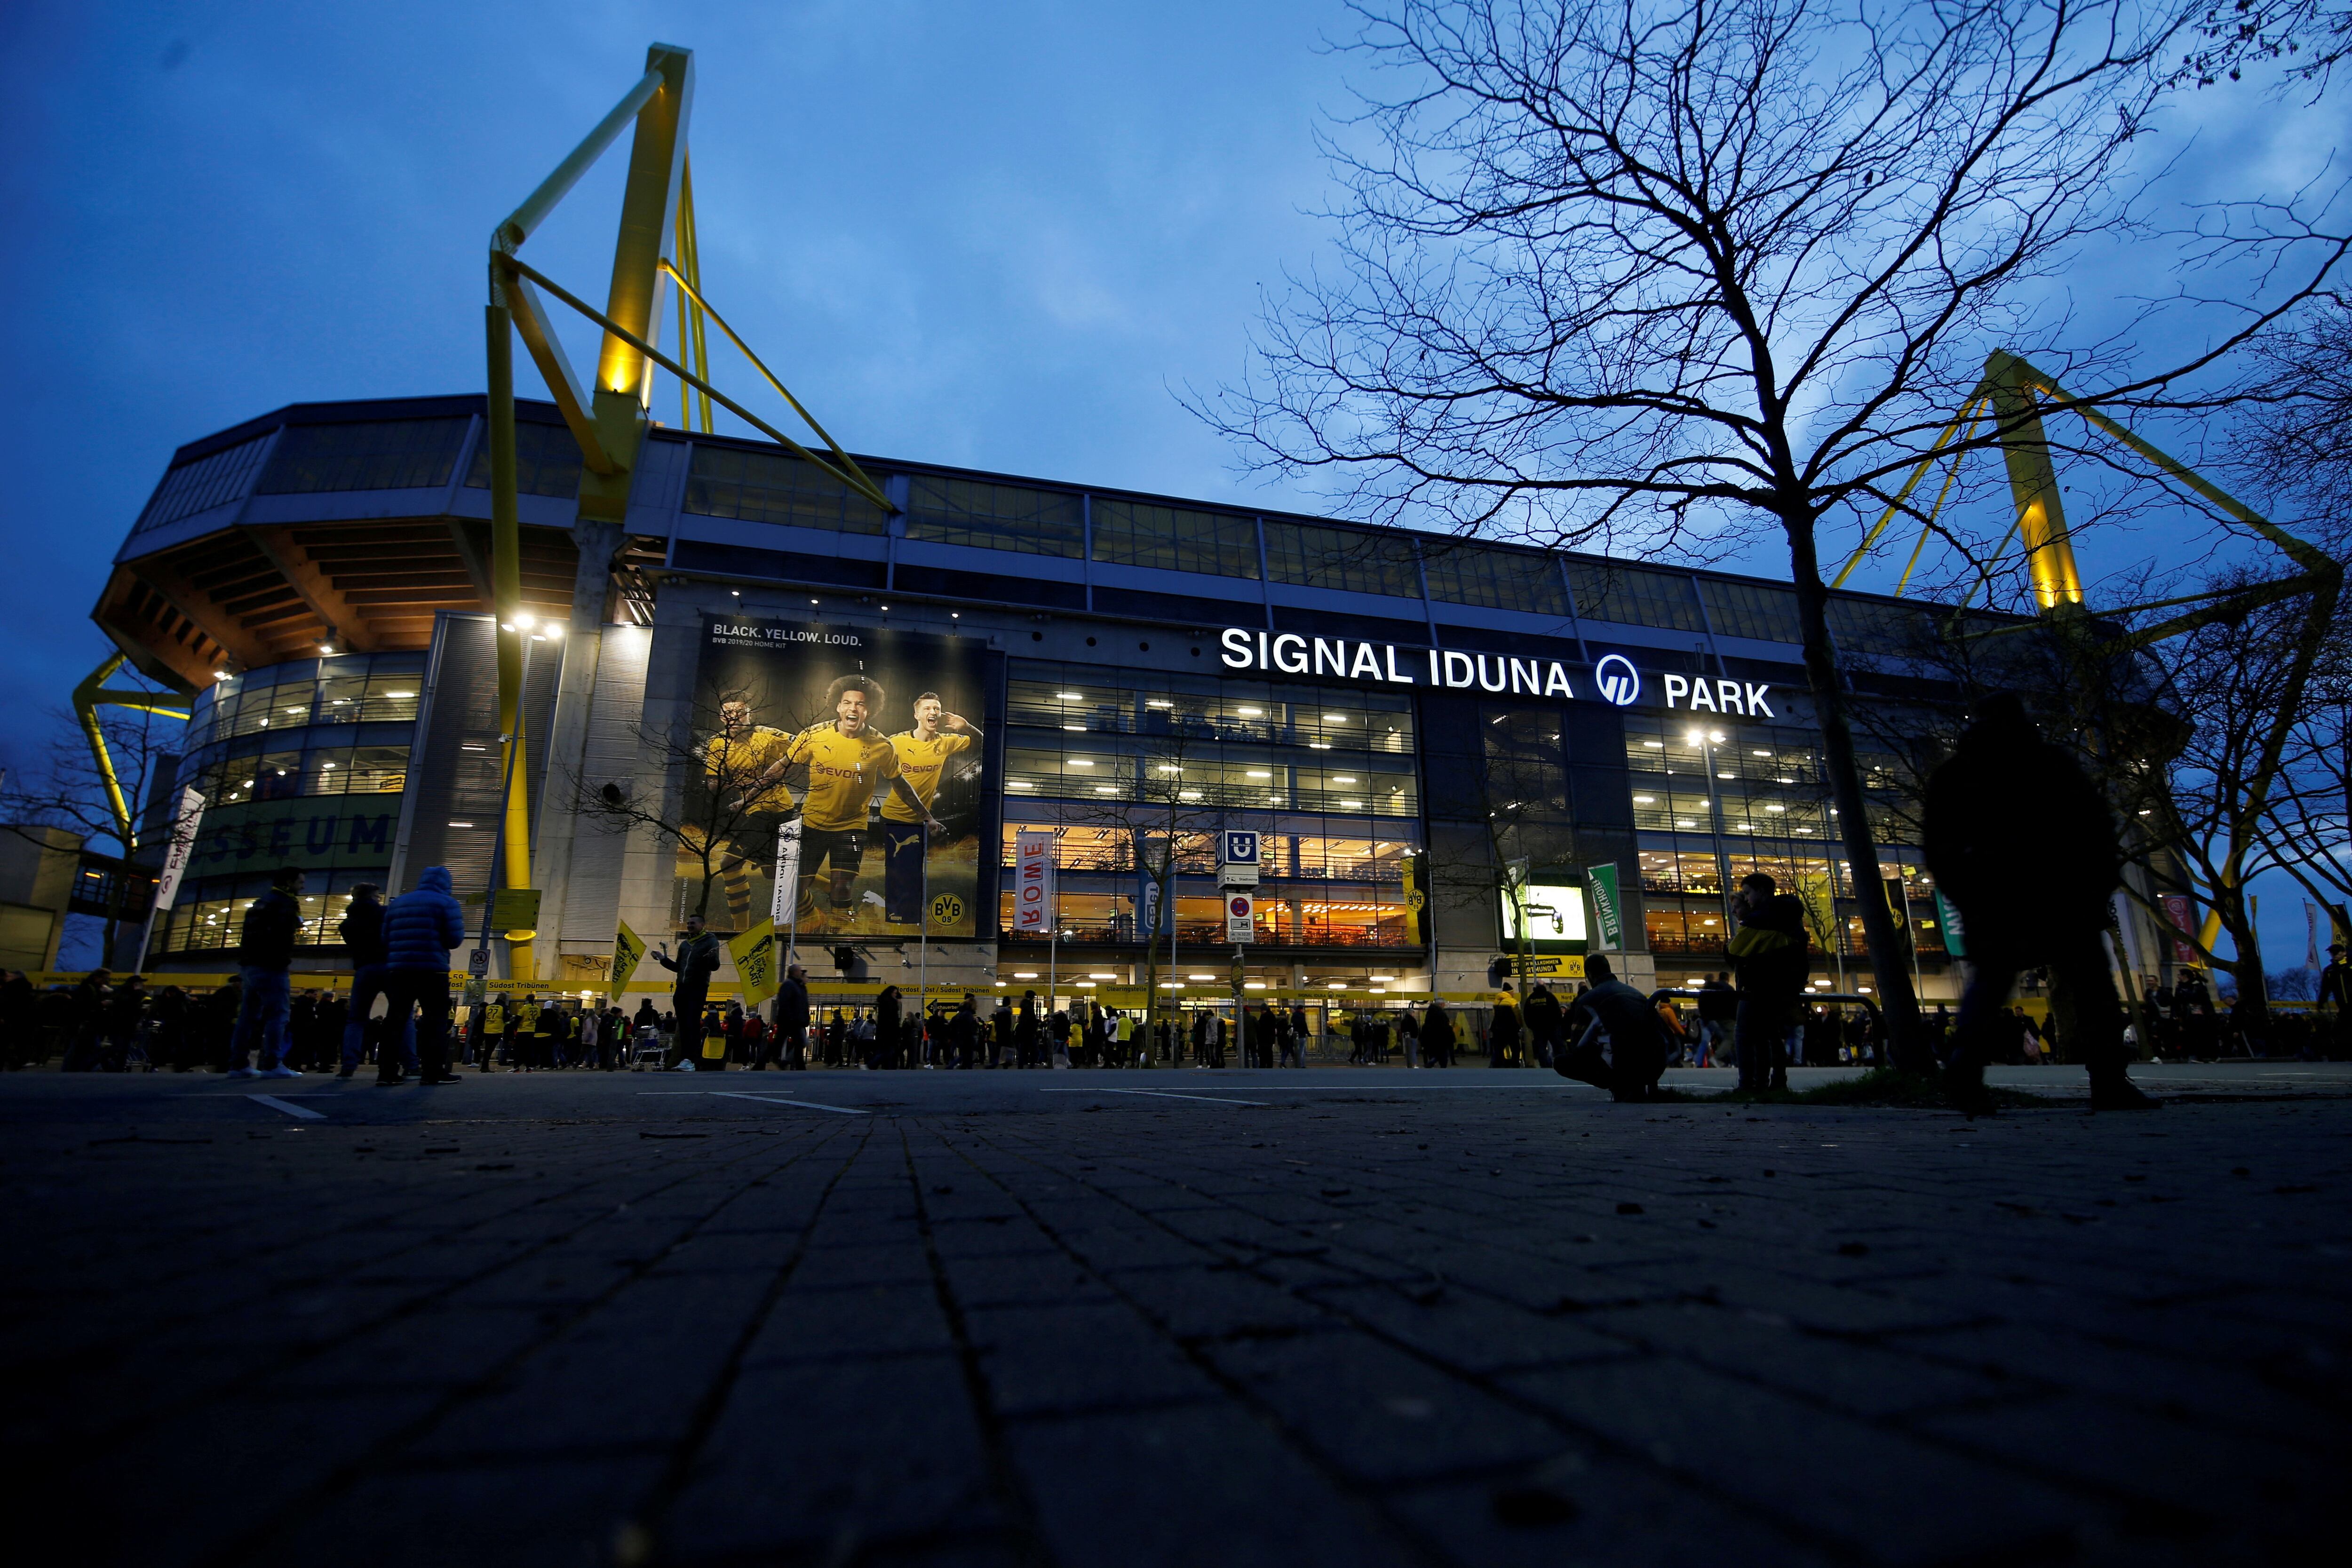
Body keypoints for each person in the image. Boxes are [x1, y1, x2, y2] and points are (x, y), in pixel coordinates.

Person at [1924, 693, 2155, 1112]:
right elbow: (2096, 826)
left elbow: (1938, 848)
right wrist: (2098, 885)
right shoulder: (2052, 763)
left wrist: (1965, 894)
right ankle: (2109, 1081)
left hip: (1994, 896)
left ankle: (1965, 1067)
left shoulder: (1955, 774)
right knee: (2092, 988)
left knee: (1990, 984)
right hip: (2061, 892)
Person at [783, 675, 937, 930]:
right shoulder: (813, 735)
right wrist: (751, 793)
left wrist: (927, 817)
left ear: (869, 711)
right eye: (847, 702)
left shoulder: (882, 746)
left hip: (851, 827)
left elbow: (901, 784)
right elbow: (783, 767)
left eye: (861, 704)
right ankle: (813, 916)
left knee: (842, 886)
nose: (853, 708)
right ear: (838, 707)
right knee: (795, 887)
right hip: (812, 822)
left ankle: (838, 934)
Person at [882, 692, 979, 925]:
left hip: (922, 820)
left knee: (915, 872)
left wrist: (967, 726)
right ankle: (897, 917)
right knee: (899, 872)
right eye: (927, 709)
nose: (933, 712)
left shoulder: (945, 742)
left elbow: (985, 742)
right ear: (917, 715)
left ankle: (909, 917)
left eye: (937, 708)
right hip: (894, 816)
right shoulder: (897, 742)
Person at [380, 865, 466, 1085]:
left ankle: (387, 1073)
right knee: (435, 1021)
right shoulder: (447, 903)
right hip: (432, 970)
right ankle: (432, 1071)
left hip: (399, 970)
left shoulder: (398, 903)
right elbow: (454, 940)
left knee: (396, 1020)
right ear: (447, 883)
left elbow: (385, 938)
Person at [1727, 873, 1807, 1092]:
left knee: (1746, 1034)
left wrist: (1732, 945)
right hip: (1785, 984)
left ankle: (1749, 1084)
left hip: (1758, 985)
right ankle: (1776, 1081)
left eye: (1747, 894)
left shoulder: (1758, 921)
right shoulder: (1789, 915)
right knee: (1771, 1036)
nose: (1736, 910)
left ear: (1760, 892)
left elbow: (1734, 952)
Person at [1553, 954, 1670, 1101]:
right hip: (1654, 1065)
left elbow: (1578, 1045)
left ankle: (1619, 1086)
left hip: (1621, 1065)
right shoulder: (1637, 994)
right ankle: (1635, 1086)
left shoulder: (1588, 999)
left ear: (1589, 975)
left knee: (1562, 1062)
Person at [225, 866, 306, 1080]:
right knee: (278, 1014)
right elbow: (283, 932)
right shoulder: (285, 904)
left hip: (250, 964)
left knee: (247, 1016)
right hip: (272, 965)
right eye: (299, 882)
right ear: (289, 883)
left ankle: (239, 1064)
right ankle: (272, 1063)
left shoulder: (261, 903)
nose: (303, 886)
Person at [336, 883, 397, 1079]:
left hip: (364, 967)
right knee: (400, 1015)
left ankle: (348, 1065)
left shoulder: (347, 924)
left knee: (356, 1020)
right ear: (373, 897)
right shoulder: (386, 914)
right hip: (389, 965)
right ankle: (410, 1063)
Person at [652, 915, 723, 1069]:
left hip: (698, 987)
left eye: (693, 923)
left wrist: (711, 958)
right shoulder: (684, 945)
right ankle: (686, 1059)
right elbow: (678, 968)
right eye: (688, 923)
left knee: (692, 1024)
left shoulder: (710, 941)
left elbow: (715, 966)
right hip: (681, 988)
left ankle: (691, 1060)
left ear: (702, 925)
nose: (689, 926)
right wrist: (663, 959)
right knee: (684, 1026)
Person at [770, 962, 811, 1069]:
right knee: (783, 1042)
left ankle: (797, 1065)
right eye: (799, 971)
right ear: (795, 973)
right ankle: (769, 1061)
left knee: (794, 1042)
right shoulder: (790, 985)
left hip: (793, 1020)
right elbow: (786, 1003)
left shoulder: (797, 986)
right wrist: (792, 1017)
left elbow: (802, 1005)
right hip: (790, 1020)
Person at [1695, 972, 1738, 1069]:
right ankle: (1719, 1058)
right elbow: (1734, 1004)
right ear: (1727, 978)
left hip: (1710, 1018)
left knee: (1708, 1041)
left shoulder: (1710, 988)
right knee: (1731, 1038)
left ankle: (1700, 1062)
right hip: (1725, 1017)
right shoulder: (1727, 988)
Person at [1489, 982, 1521, 1068]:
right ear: (1510, 992)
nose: (1514, 994)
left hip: (1498, 1029)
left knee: (1499, 1048)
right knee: (1516, 1048)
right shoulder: (1512, 1001)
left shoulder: (1496, 1001)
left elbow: (1494, 1014)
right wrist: (1520, 1025)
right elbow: (1517, 1014)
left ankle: (1498, 1064)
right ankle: (1515, 1064)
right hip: (1510, 1029)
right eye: (1513, 992)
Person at [1419, 998, 1454, 1069]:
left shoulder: (1430, 1013)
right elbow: (1444, 1027)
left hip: (1432, 1038)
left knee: (1438, 1054)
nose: (1445, 1006)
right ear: (1441, 1005)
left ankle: (1432, 1062)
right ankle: (1433, 1064)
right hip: (1441, 1038)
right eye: (1444, 1004)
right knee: (1443, 1055)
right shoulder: (1440, 1013)